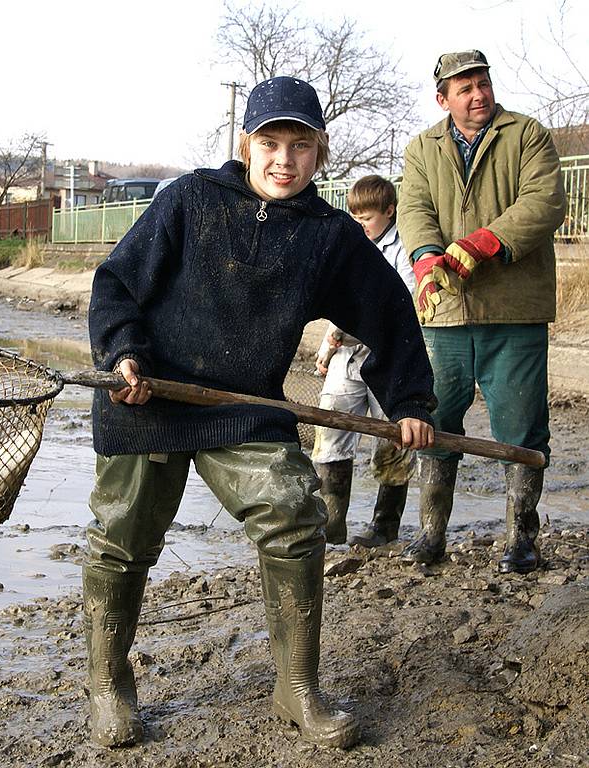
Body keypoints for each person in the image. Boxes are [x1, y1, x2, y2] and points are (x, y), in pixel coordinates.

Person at [84, 76, 436, 751]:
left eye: (299, 146)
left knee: (294, 516)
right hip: (149, 396)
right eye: (269, 143)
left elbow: (389, 314)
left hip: (242, 407)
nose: (283, 160)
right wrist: (124, 355)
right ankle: (108, 686)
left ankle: (295, 688)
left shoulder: (328, 236)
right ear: (246, 144)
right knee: (122, 537)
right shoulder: (189, 200)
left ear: (319, 153)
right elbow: (116, 284)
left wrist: (411, 403)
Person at [397, 50, 566, 573]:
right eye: (464, 88)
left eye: (483, 83)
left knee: (521, 426)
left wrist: (485, 242)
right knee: (435, 422)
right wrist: (425, 259)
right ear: (443, 98)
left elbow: (544, 202)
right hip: (446, 314)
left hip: (513, 311)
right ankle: (431, 533)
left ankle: (521, 537)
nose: (478, 94)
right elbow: (414, 208)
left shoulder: (527, 134)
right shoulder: (422, 148)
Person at [313, 175, 417, 548]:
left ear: (389, 212)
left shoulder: (403, 251)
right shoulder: (349, 248)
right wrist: (328, 346)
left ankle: (385, 525)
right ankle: (332, 521)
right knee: (330, 427)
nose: (360, 226)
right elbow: (337, 302)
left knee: (392, 437)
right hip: (346, 352)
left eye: (367, 219)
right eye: (354, 219)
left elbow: (402, 307)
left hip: (387, 355)